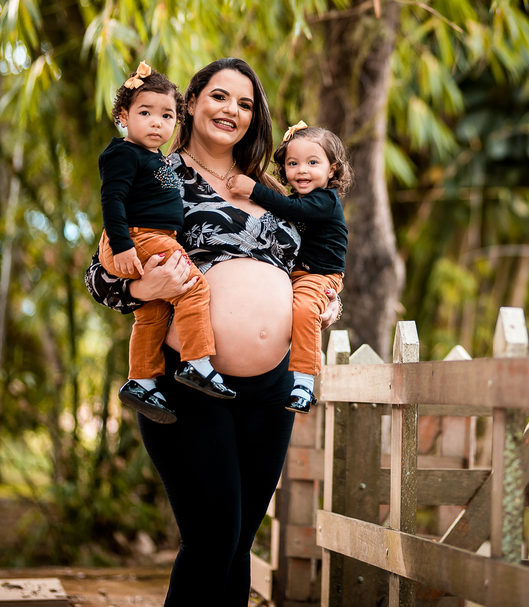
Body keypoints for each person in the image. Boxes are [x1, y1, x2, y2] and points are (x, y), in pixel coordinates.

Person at [84, 58, 339, 606]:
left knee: (239, 542)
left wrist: (326, 299)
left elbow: (314, 263)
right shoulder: (155, 171)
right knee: (213, 537)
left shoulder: (273, 189)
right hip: (190, 382)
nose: (232, 111)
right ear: (192, 102)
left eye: (245, 104)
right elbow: (98, 275)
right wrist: (143, 291)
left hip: (271, 387)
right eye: (220, 97)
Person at [97, 61, 235, 425]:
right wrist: (123, 244)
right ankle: (198, 362)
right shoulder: (123, 154)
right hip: (140, 237)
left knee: (154, 314)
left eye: (166, 115)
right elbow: (112, 201)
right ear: (124, 116)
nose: (157, 122)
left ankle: (141, 379)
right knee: (193, 289)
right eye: (146, 113)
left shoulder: (156, 159)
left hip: (153, 239)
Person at [228, 121, 349, 413]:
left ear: (332, 169)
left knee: (306, 310)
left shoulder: (322, 200)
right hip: (298, 276)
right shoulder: (166, 173)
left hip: (317, 275)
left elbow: (292, 210)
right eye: (293, 163)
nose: (302, 170)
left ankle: (305, 382)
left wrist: (254, 189)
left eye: (312, 162)